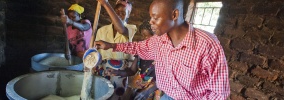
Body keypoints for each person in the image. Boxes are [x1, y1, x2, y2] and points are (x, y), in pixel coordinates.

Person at [95, 0, 230, 99]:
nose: (151, 22)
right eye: (150, 17)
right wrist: (111, 45)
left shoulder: (207, 45)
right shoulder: (160, 40)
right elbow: (138, 47)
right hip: (166, 96)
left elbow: (219, 93)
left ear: (174, 15)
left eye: (155, 17)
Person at [104, 21, 160, 100]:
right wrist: (116, 72)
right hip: (141, 88)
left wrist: (147, 91)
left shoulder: (161, 54)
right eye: (143, 36)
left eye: (147, 36)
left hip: (156, 89)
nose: (144, 39)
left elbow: (163, 80)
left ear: (155, 36)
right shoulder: (141, 52)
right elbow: (132, 71)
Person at [94, 0, 137, 99]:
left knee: (117, 97)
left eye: (122, 13)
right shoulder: (101, 30)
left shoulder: (131, 29)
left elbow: (121, 30)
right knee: (103, 95)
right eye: (116, 12)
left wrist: (105, 3)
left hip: (121, 74)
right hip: (104, 71)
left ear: (128, 15)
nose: (118, 15)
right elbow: (97, 53)